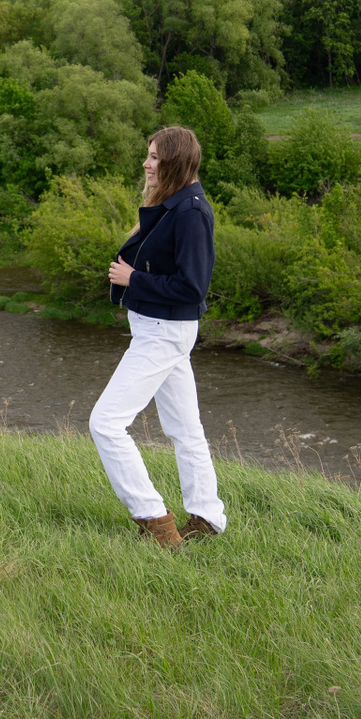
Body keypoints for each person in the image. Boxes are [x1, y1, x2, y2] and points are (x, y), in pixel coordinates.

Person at [90, 125, 224, 549]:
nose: (146, 164)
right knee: (185, 428)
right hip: (160, 329)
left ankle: (155, 520)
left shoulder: (190, 213)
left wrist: (134, 279)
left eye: (154, 158)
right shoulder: (172, 206)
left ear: (174, 163)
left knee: (105, 423)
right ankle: (208, 517)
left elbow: (192, 288)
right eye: (148, 156)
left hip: (164, 333)